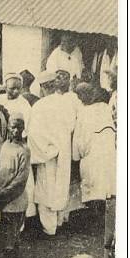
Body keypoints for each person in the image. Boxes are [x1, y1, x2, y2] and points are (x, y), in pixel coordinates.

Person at [27, 70, 78, 236]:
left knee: (46, 188)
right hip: (63, 150)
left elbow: (34, 133)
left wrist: (46, 150)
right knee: (61, 184)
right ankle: (60, 221)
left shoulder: (40, 105)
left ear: (43, 87)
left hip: (47, 152)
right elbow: (71, 126)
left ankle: (49, 227)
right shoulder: (68, 102)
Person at [0, 114, 31, 258]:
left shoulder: (24, 150)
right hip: (3, 197)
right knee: (8, 232)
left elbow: (21, 179)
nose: (15, 130)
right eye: (12, 126)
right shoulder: (5, 146)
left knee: (11, 232)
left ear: (23, 129)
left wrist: (4, 194)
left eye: (18, 127)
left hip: (15, 199)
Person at [72, 84, 116, 212]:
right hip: (105, 156)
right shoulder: (105, 108)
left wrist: (77, 155)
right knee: (104, 189)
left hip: (92, 157)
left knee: (94, 190)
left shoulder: (84, 112)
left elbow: (79, 141)